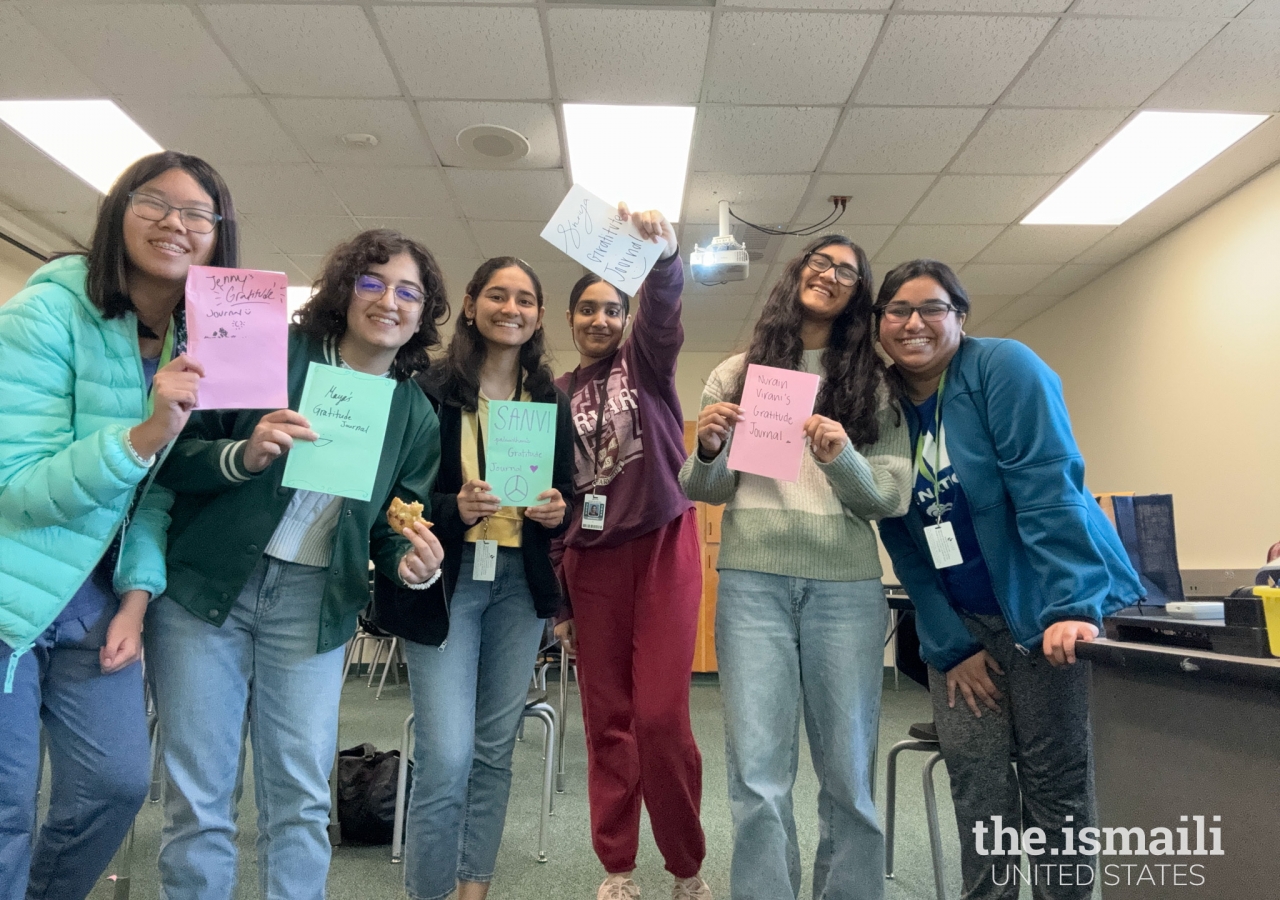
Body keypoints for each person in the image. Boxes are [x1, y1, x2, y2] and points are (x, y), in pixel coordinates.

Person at [145, 229, 448, 900]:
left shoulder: (415, 415)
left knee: (301, 802)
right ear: (344, 291)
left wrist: (414, 564)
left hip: (315, 607)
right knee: (198, 799)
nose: (388, 300)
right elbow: (171, 456)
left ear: (424, 314)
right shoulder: (274, 351)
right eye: (372, 282)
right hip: (206, 591)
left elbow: (397, 528)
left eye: (408, 291)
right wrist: (241, 454)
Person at [0, 150, 232, 900]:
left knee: (115, 785)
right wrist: (145, 432)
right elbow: (17, 487)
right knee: (4, 810)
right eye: (154, 202)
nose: (175, 223)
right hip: (13, 591)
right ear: (116, 212)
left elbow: (155, 497)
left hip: (98, 606)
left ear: (218, 238)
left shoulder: (193, 347)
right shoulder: (45, 312)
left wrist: (135, 599)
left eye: (198, 214)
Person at [874, 259, 1144, 900]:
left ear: (959, 317)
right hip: (964, 624)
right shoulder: (879, 405)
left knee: (1055, 783)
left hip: (1045, 610)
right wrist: (949, 646)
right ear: (879, 325)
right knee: (978, 783)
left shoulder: (1004, 368)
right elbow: (900, 537)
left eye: (932, 308)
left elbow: (1049, 486)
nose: (914, 322)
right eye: (897, 311)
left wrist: (1071, 604)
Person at [679, 235, 911, 900]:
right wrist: (711, 446)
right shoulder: (736, 372)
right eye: (820, 262)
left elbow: (885, 499)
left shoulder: (875, 380)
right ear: (797, 274)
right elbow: (704, 489)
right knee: (757, 776)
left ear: (857, 294)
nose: (830, 274)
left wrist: (841, 454)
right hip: (754, 586)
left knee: (848, 776)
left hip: (846, 588)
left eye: (847, 270)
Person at [369, 256, 572, 900]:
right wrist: (451, 511)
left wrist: (557, 509)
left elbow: (562, 492)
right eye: (498, 295)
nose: (511, 308)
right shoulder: (428, 387)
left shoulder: (547, 399)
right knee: (446, 757)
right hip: (446, 582)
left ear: (538, 315)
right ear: (470, 302)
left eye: (525, 299)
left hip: (520, 587)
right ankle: (428, 891)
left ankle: (473, 889)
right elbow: (395, 499)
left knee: (493, 751)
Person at [551, 205, 710, 900]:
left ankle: (685, 864)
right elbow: (545, 497)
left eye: (610, 309)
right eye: (585, 310)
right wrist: (558, 597)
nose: (597, 319)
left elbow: (664, 316)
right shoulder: (552, 396)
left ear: (623, 317)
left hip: (661, 544)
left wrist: (666, 261)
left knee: (659, 717)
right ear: (570, 320)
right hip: (591, 561)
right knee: (606, 716)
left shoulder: (642, 363)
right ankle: (618, 864)